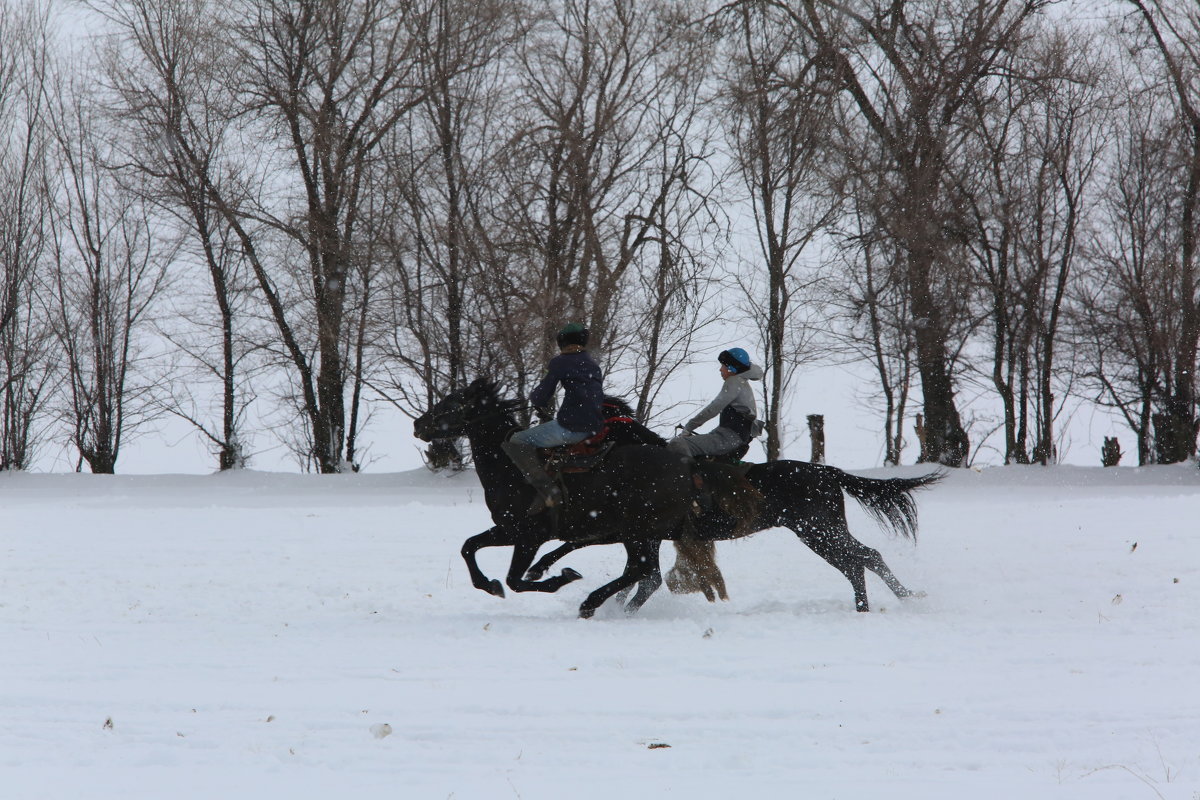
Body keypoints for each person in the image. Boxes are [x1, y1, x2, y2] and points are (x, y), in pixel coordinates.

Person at [501, 322, 604, 513]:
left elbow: (541, 396)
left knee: (517, 440)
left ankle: (548, 491)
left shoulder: (561, 362)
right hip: (594, 427)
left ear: (562, 342)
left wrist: (535, 398)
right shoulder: (592, 363)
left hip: (571, 428)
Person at [667, 347, 763, 461]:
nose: (720, 370)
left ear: (732, 368)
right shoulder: (742, 383)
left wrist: (689, 427)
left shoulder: (734, 381)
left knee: (678, 444)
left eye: (723, 366)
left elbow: (713, 409)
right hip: (733, 437)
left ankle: (690, 477)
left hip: (729, 438)